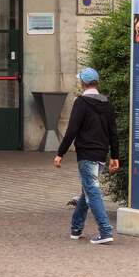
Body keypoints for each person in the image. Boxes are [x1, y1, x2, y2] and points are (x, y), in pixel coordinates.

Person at [55, 67, 120, 245]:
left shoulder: (81, 103)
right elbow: (113, 132)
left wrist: (60, 153)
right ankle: (76, 228)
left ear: (83, 83)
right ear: (96, 83)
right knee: (87, 189)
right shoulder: (106, 103)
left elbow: (72, 130)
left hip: (86, 153)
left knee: (92, 191)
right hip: (101, 153)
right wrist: (115, 156)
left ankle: (105, 231)